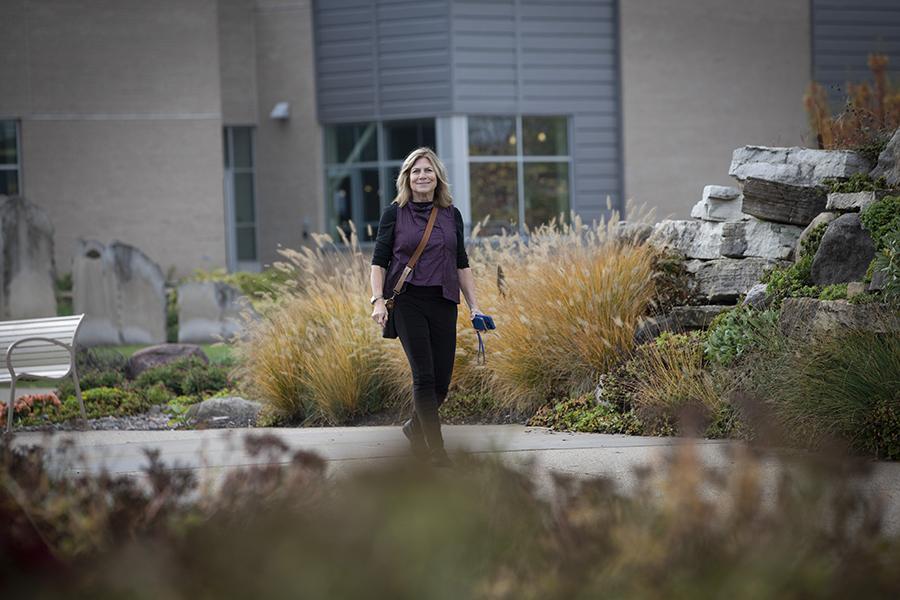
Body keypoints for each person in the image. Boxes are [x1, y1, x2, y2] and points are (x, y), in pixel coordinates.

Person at [370, 147, 482, 467]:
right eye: (416, 171)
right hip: (407, 301)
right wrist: (378, 300)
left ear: (437, 178)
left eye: (428, 171)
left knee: (442, 382)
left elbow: (461, 263)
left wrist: (474, 306)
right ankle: (437, 452)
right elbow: (378, 262)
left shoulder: (451, 215)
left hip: (444, 299)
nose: (422, 176)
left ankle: (413, 428)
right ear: (407, 177)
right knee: (424, 377)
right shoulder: (394, 213)